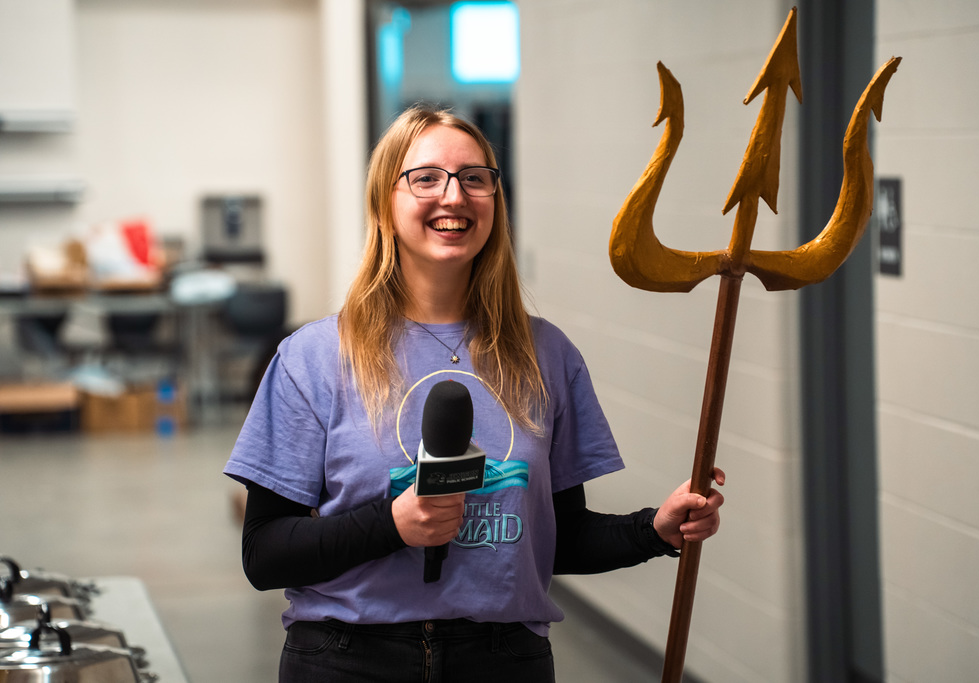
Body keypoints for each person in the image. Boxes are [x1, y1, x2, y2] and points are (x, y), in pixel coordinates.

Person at [223, 105, 725, 683]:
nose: (454, 196)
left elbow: (557, 539)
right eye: (426, 177)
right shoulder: (314, 357)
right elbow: (265, 553)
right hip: (348, 659)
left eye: (474, 178)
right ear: (386, 202)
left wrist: (653, 530)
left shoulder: (546, 355)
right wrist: (394, 524)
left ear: (494, 200)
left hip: (504, 661)